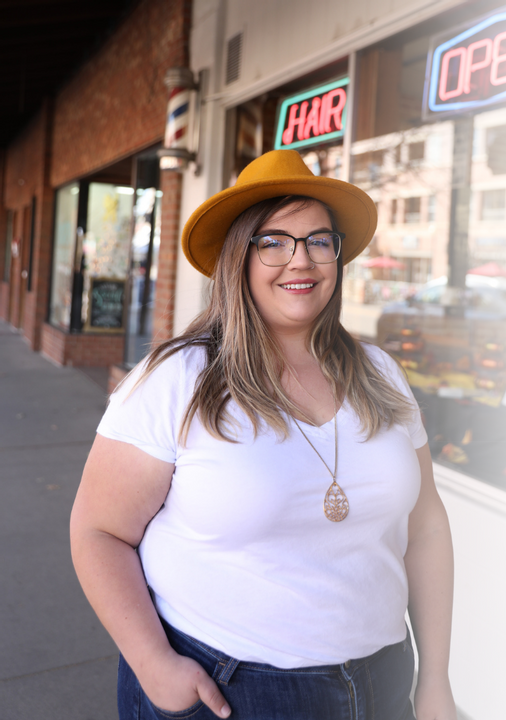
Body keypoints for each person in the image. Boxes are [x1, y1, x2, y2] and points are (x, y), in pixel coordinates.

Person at [69, 149, 457, 720]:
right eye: (274, 241)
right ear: (238, 258)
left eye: (320, 240)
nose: (302, 260)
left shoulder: (381, 374)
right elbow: (98, 531)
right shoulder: (177, 379)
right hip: (231, 690)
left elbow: (426, 528)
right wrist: (152, 663)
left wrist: (435, 680)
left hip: (383, 680)